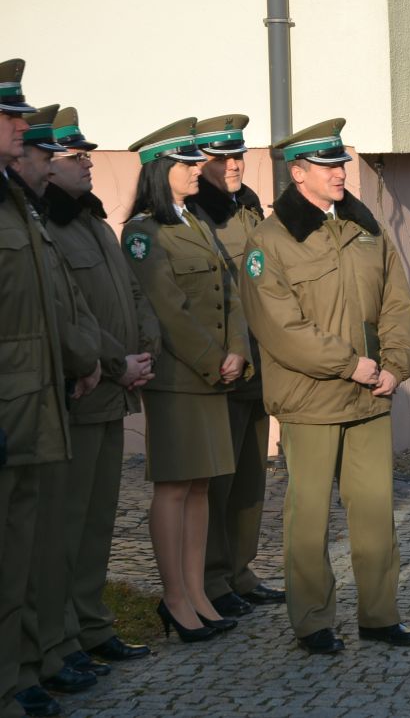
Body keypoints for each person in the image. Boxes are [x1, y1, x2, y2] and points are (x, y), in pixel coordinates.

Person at [239, 118, 410, 655]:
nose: (340, 172)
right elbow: (280, 328)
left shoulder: (364, 228)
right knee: (309, 516)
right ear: (298, 173)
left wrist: (395, 365)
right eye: (327, 166)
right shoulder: (270, 241)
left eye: (341, 162)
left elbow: (397, 301)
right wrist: (350, 365)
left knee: (375, 512)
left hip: (370, 395)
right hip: (310, 399)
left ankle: (379, 615)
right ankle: (313, 621)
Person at [123, 117, 253, 643]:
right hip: (179, 378)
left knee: (200, 486)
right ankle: (175, 598)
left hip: (213, 372)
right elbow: (167, 308)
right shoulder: (144, 232)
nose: (200, 169)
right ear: (161, 170)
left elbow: (230, 292)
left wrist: (237, 349)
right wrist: (213, 359)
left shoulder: (193, 221)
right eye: (188, 163)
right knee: (175, 487)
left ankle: (197, 592)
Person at [42, 107, 160, 673]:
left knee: (99, 520)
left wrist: (145, 352)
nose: (87, 162)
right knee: (67, 525)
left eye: (87, 154)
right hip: (86, 390)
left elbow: (130, 294)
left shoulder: (91, 220)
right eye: (74, 155)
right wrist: (118, 363)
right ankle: (62, 635)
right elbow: (74, 314)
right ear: (47, 163)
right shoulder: (50, 226)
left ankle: (92, 624)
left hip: (114, 389)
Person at [0, 61, 98, 718]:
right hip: (13, 405)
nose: (22, 126)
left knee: (23, 553)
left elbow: (51, 305)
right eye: (11, 117)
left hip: (33, 404)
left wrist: (83, 358)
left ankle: (20, 672)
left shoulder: (15, 202)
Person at [186, 114, 283, 617]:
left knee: (250, 479)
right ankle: (213, 577)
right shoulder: (196, 216)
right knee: (217, 481)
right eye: (221, 158)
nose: (233, 165)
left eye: (238, 155)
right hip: (226, 364)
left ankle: (241, 570)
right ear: (199, 164)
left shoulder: (247, 207)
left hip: (261, 361)